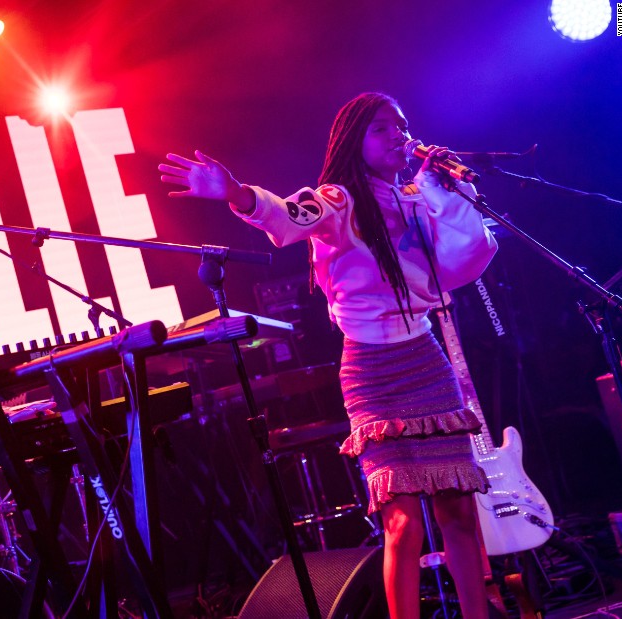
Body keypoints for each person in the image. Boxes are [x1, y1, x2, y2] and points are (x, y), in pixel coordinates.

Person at [159, 92, 497, 619]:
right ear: (354, 141)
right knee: (402, 520)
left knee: (458, 509)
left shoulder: (415, 196)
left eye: (402, 126)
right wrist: (236, 194)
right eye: (383, 128)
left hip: (427, 358)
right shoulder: (337, 200)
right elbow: (289, 216)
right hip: (372, 370)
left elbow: (468, 253)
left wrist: (443, 184)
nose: (398, 136)